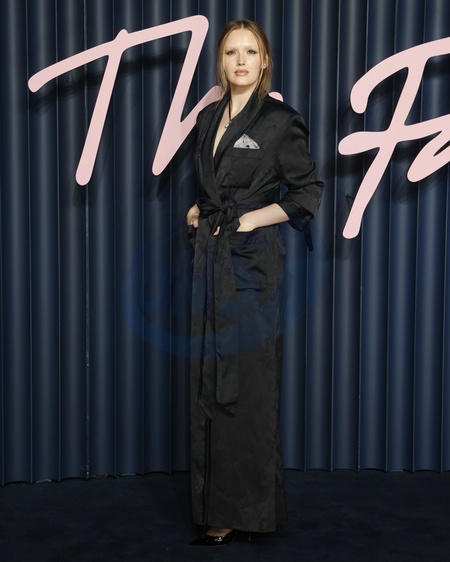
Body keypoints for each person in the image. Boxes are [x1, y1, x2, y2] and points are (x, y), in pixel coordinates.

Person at [186, 19, 323, 547]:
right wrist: (198, 209)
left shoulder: (280, 121)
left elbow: (306, 193)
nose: (240, 61)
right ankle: (213, 506)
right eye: (231, 53)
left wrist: (246, 220)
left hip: (250, 268)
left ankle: (244, 511)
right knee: (208, 383)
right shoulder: (208, 118)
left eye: (250, 52)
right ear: (220, 63)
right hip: (209, 263)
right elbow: (212, 184)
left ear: (264, 61)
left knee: (246, 384)